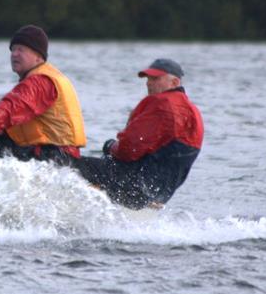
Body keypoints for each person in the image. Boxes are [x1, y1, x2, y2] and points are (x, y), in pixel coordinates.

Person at [73, 58, 204, 210]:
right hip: (159, 193)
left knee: (66, 163)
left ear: (174, 82)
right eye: (148, 79)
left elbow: (128, 150)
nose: (148, 83)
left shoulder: (162, 103)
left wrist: (111, 147)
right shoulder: (193, 112)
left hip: (134, 185)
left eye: (155, 78)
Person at [0, 25, 86, 165]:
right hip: (54, 156)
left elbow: (11, 108)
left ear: (38, 57)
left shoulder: (41, 82)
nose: (14, 54)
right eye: (13, 49)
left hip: (56, 158)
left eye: (21, 49)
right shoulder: (43, 77)